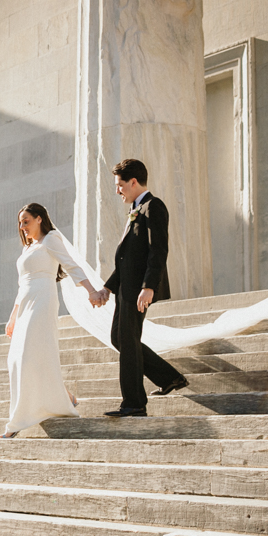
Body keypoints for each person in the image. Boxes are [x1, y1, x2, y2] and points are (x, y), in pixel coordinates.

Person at [91, 159, 188, 417]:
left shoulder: (153, 206)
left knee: (128, 340)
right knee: (119, 338)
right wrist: (108, 288)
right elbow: (128, 258)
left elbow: (158, 250)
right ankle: (169, 378)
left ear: (133, 182)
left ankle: (134, 403)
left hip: (138, 290)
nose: (117, 191)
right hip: (126, 289)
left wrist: (149, 286)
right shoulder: (136, 208)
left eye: (120, 185)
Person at [0, 203, 103, 437]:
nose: (22, 226)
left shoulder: (51, 239)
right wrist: (13, 316)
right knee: (16, 358)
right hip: (25, 304)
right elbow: (21, 286)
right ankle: (66, 397)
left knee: (28, 356)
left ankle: (17, 422)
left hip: (43, 301)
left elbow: (71, 266)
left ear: (39, 219)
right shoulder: (28, 248)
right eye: (20, 222)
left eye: (26, 221)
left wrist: (91, 291)